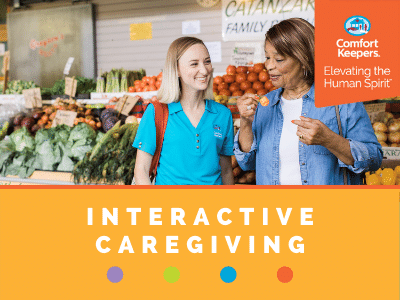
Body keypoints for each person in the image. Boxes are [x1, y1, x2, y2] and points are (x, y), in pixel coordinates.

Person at [234, 18, 382, 185]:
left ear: (303, 60)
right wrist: (246, 122)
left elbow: (374, 159)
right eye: (267, 57)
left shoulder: (342, 101)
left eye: (279, 59)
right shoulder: (265, 104)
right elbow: (247, 163)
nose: (269, 65)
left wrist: (329, 140)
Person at [134, 37, 234, 185]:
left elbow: (226, 171)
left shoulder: (223, 115)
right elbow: (141, 170)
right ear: (176, 70)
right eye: (194, 64)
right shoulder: (157, 112)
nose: (204, 70)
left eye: (207, 61)